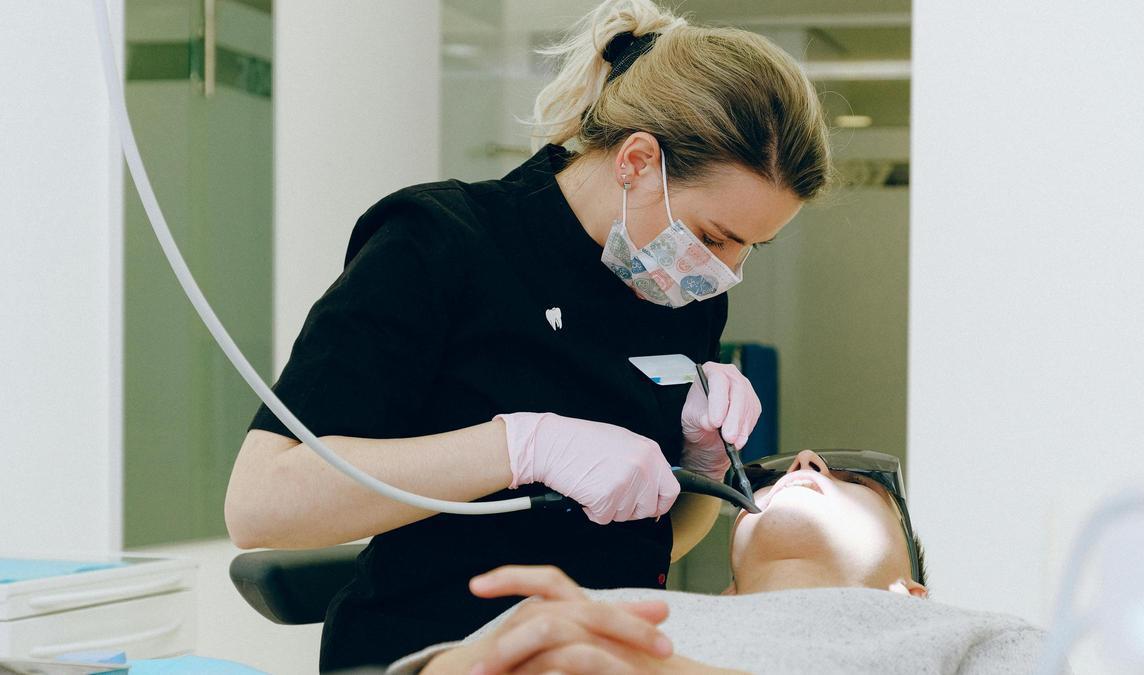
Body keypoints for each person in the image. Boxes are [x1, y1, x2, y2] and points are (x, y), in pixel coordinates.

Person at [223, 0, 830, 670]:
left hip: (601, 655)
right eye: (714, 237)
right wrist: (519, 446)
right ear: (636, 160)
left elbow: (649, 543)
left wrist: (701, 466)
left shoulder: (681, 292)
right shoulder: (438, 243)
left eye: (751, 248)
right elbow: (261, 504)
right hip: (434, 651)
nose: (725, 271)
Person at [390, 450, 1054, 675]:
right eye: (768, 477)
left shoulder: (968, 634)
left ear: (910, 591)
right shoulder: (592, 609)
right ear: (727, 592)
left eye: (857, 480)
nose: (805, 462)